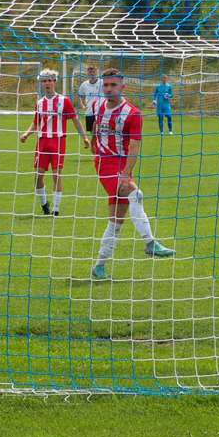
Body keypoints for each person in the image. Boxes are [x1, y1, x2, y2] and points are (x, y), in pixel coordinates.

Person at [90, 69, 175, 280]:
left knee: (116, 221)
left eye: (113, 85)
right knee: (136, 194)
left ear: (123, 87)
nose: (109, 89)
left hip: (124, 166)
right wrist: (94, 146)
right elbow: (95, 129)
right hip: (105, 164)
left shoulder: (133, 113)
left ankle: (99, 267)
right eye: (106, 85)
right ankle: (150, 243)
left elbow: (135, 146)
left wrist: (126, 173)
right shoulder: (97, 106)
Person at [19, 69, 90, 216]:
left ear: (55, 82)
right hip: (42, 143)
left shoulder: (64, 101)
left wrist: (84, 137)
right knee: (38, 176)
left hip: (58, 142)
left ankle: (56, 209)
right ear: (41, 83)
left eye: (50, 81)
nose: (47, 83)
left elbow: (75, 120)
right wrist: (27, 134)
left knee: (56, 174)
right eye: (44, 81)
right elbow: (36, 122)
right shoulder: (39, 103)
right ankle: (44, 204)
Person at [75, 65, 103, 135]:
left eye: (94, 71)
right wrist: (82, 106)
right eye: (90, 72)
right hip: (89, 112)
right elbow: (78, 96)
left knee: (102, 132)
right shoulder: (84, 84)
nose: (92, 73)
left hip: (101, 112)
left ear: (97, 72)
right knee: (92, 133)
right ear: (88, 73)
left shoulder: (102, 83)